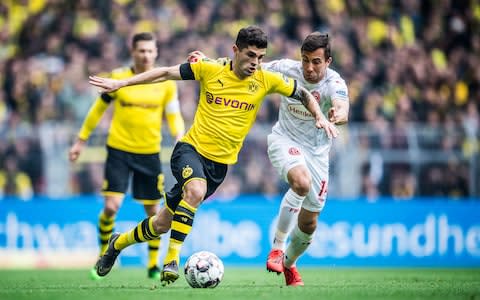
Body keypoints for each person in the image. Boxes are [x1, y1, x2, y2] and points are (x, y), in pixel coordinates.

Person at [88, 25, 339, 286]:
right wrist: (122, 83)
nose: (255, 63)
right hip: (189, 150)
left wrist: (320, 116)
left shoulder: (265, 79)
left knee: (162, 223)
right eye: (250, 55)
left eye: (261, 57)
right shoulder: (210, 69)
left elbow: (303, 94)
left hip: (218, 166)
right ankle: (172, 258)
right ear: (235, 51)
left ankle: (118, 242)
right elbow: (164, 73)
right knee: (194, 192)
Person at [189, 32, 349, 286]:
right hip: (284, 140)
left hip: (318, 153)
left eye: (316, 62)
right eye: (305, 60)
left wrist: (337, 114)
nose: (309, 67)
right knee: (301, 182)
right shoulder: (286, 68)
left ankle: (289, 263)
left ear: (328, 61)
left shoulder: (334, 83)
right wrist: (208, 60)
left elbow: (342, 105)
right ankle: (277, 247)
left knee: (309, 224)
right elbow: (243, 64)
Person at [68, 32, 185, 280]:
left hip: (149, 153)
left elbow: (174, 115)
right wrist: (81, 140)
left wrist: (179, 136)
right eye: (141, 50)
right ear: (133, 51)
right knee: (111, 207)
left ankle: (153, 264)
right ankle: (104, 256)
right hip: (119, 150)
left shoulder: (165, 83)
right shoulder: (119, 78)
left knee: (154, 212)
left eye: (150, 51)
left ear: (156, 53)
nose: (146, 55)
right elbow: (97, 110)